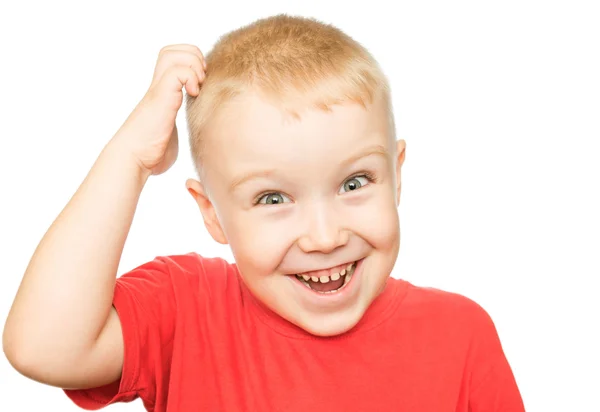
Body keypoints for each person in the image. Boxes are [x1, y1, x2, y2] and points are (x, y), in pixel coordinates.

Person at [2, 14, 525, 411]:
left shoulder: (460, 336)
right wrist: (132, 156)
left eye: (354, 182)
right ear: (211, 213)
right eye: (273, 199)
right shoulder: (185, 310)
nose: (323, 237)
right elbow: (42, 347)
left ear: (398, 175)